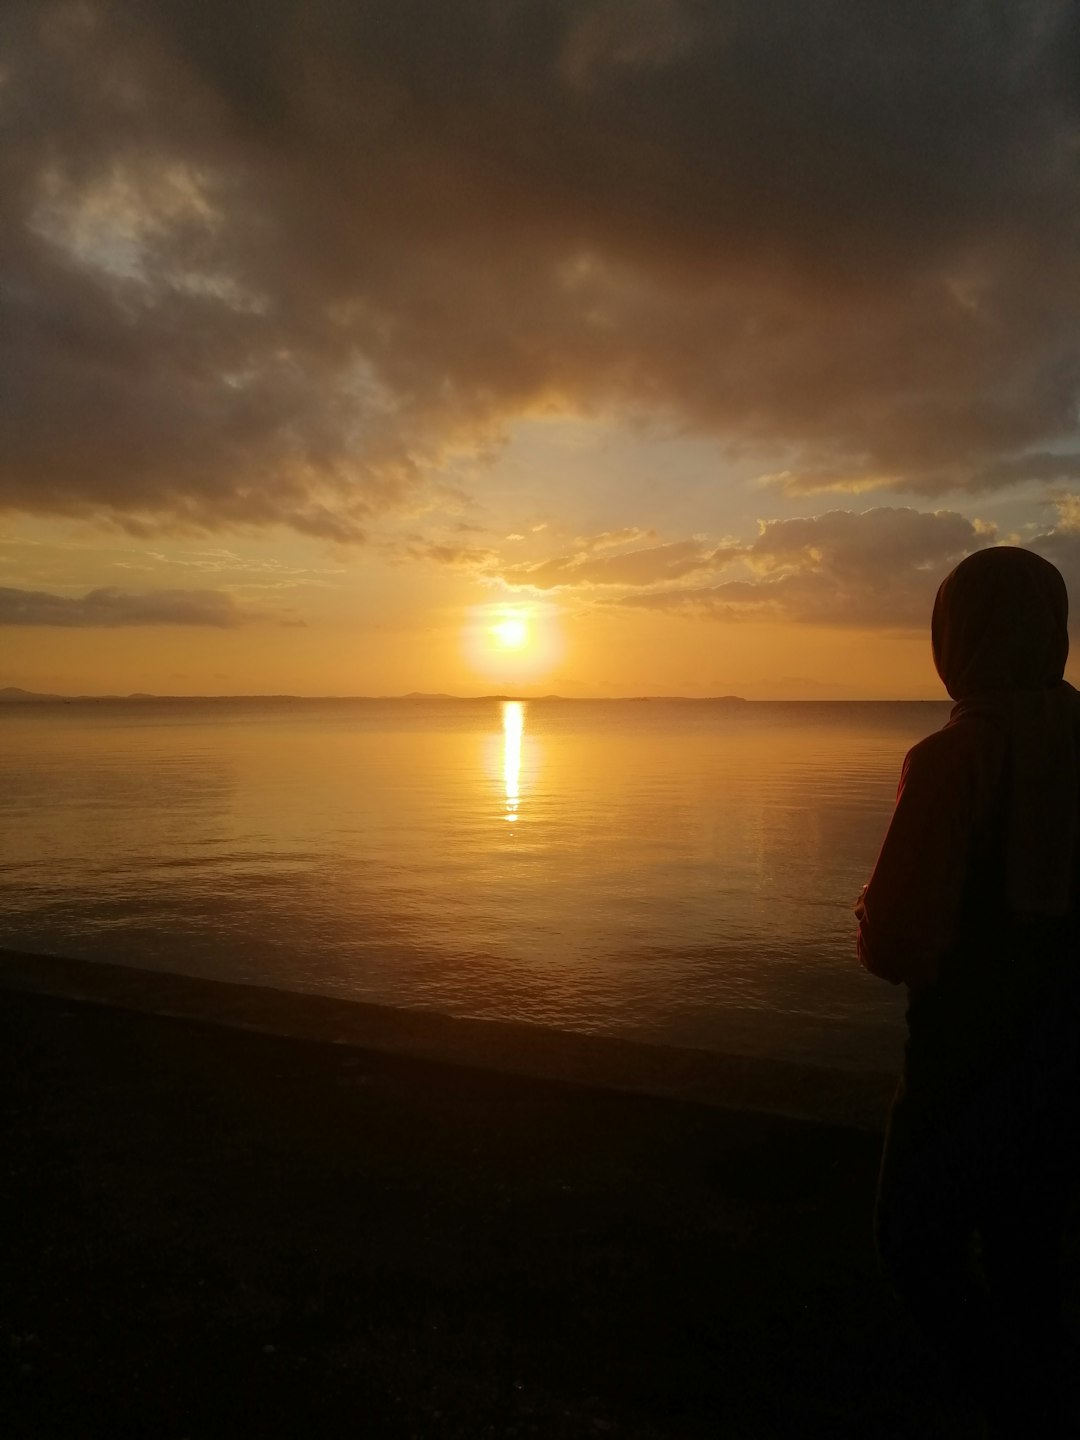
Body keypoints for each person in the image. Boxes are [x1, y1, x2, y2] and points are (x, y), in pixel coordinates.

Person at [856, 545, 1080, 1436]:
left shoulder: (953, 758)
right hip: (1066, 1056)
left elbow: (899, 942)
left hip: (964, 1064)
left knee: (914, 1246)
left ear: (956, 636)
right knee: (1033, 1257)